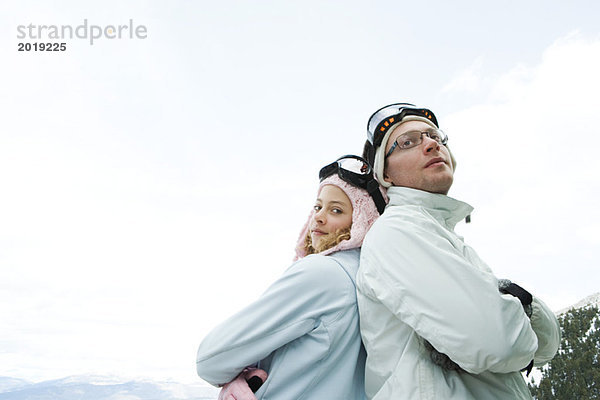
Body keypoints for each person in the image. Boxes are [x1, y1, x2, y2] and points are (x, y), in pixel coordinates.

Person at [356, 103, 561, 399]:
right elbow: (497, 342)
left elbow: (546, 346)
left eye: (435, 136)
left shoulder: (439, 234)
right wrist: (517, 311)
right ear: (384, 174)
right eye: (408, 142)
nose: (430, 144)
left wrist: (519, 313)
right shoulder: (398, 232)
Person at [196, 155, 386, 400]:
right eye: (318, 207)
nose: (318, 217)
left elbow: (211, 358)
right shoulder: (372, 279)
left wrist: (241, 375)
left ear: (362, 221)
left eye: (336, 210)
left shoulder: (322, 274)